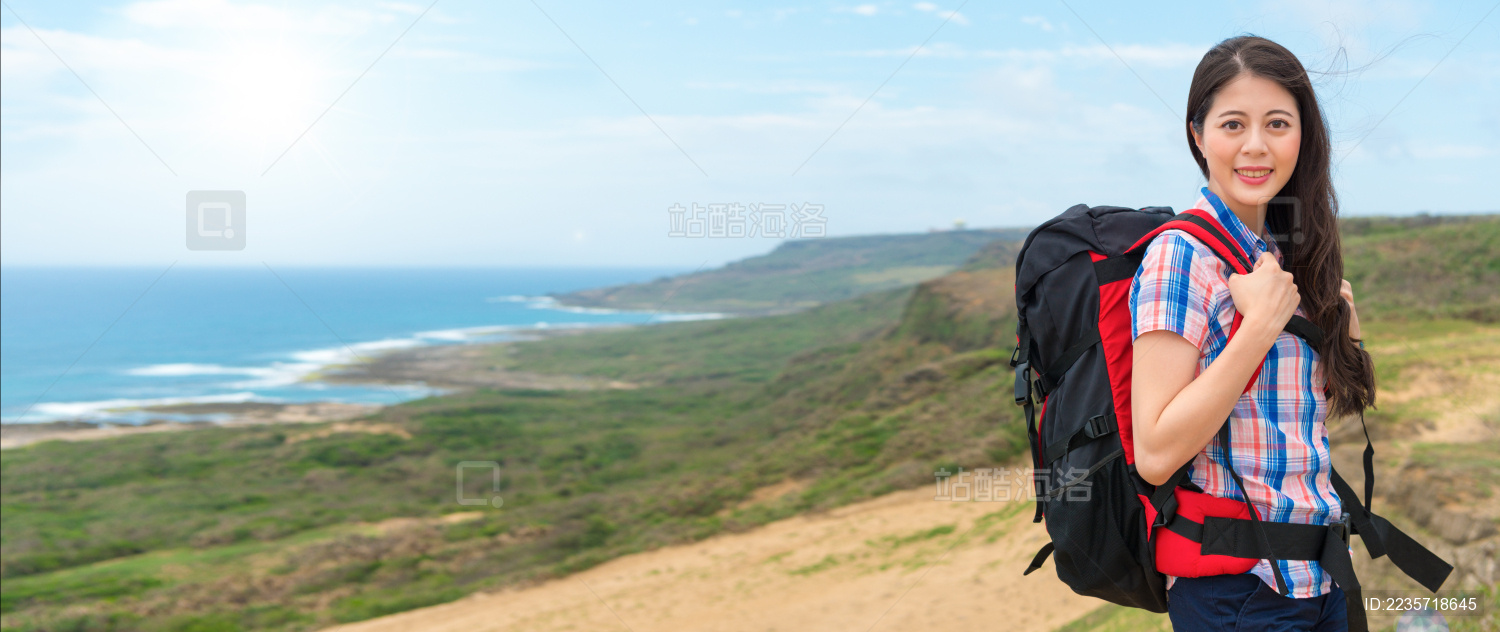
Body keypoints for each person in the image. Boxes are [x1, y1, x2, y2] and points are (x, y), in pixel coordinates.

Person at [1129, 35, 1370, 632]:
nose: (1256, 146)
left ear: (1303, 135)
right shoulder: (1180, 256)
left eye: (1278, 123)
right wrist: (1258, 330)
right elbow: (1155, 453)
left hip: (1320, 581)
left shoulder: (1280, 256)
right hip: (1240, 597)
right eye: (1233, 124)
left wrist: (1344, 334)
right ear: (1197, 134)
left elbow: (1311, 417)